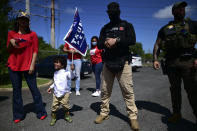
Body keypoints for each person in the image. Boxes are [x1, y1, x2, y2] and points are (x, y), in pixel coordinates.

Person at [94, 2, 139, 130]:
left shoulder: (126, 25)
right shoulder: (105, 28)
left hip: (123, 62)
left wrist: (116, 40)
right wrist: (106, 42)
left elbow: (132, 40)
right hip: (108, 63)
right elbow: (99, 44)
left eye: (114, 12)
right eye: (109, 12)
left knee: (127, 91)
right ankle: (104, 113)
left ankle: (133, 117)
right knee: (105, 90)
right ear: (107, 14)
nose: (112, 14)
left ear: (119, 12)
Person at [153, 1, 197, 125]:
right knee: (175, 90)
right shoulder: (165, 29)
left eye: (183, 8)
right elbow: (157, 44)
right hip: (172, 63)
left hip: (188, 62)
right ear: (173, 11)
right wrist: (155, 59)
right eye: (179, 8)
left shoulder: (192, 24)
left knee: (193, 90)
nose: (182, 10)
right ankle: (176, 113)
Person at [6, 11, 47, 123]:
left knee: (34, 89)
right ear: (18, 21)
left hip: (28, 66)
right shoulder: (11, 34)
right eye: (21, 19)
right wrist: (11, 42)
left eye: (26, 20)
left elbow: (35, 51)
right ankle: (18, 115)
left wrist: (32, 65)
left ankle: (41, 112)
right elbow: (9, 50)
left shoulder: (32, 34)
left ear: (28, 22)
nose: (23, 21)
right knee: (16, 91)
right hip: (14, 66)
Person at [47, 56, 74, 126]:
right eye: (55, 62)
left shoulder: (66, 72)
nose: (55, 63)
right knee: (54, 107)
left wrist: (72, 70)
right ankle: (54, 118)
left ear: (62, 65)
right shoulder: (55, 73)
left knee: (65, 106)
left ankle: (67, 116)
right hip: (56, 94)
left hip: (65, 94)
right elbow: (55, 82)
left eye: (57, 62)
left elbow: (72, 77)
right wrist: (50, 87)